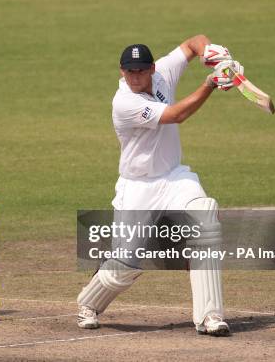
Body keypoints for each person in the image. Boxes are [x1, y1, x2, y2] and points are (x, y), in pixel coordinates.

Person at [76, 36, 242, 336]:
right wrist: (211, 83)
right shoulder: (125, 102)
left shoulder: (163, 71)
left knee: (205, 216)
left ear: (152, 68)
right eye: (129, 71)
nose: (135, 76)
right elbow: (177, 115)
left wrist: (211, 52)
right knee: (127, 264)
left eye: (141, 70)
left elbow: (193, 43)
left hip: (174, 176)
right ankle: (88, 301)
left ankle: (210, 317)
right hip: (138, 186)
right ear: (121, 71)